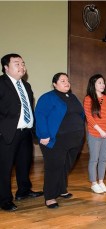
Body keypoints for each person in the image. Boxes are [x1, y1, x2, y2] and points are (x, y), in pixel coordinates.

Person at [35, 72, 85, 209]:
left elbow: (81, 114)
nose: (66, 83)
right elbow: (40, 115)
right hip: (56, 140)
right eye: (62, 80)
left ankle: (62, 189)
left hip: (75, 140)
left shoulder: (72, 96)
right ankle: (50, 196)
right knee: (54, 167)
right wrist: (43, 135)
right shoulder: (47, 98)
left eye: (67, 80)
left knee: (65, 166)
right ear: (54, 84)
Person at [0, 53, 43, 212]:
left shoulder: (26, 85)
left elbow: (28, 109)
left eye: (23, 63)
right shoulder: (1, 83)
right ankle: (4, 199)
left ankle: (23, 191)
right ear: (6, 68)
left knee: (24, 164)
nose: (22, 66)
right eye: (17, 63)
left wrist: (34, 129)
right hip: (7, 133)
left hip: (26, 133)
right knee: (4, 168)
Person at [84, 74, 106, 194]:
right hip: (95, 133)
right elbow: (89, 117)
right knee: (94, 159)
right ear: (93, 84)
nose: (103, 85)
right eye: (100, 83)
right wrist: (100, 131)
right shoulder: (88, 99)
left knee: (103, 159)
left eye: (103, 82)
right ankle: (93, 183)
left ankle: (101, 181)